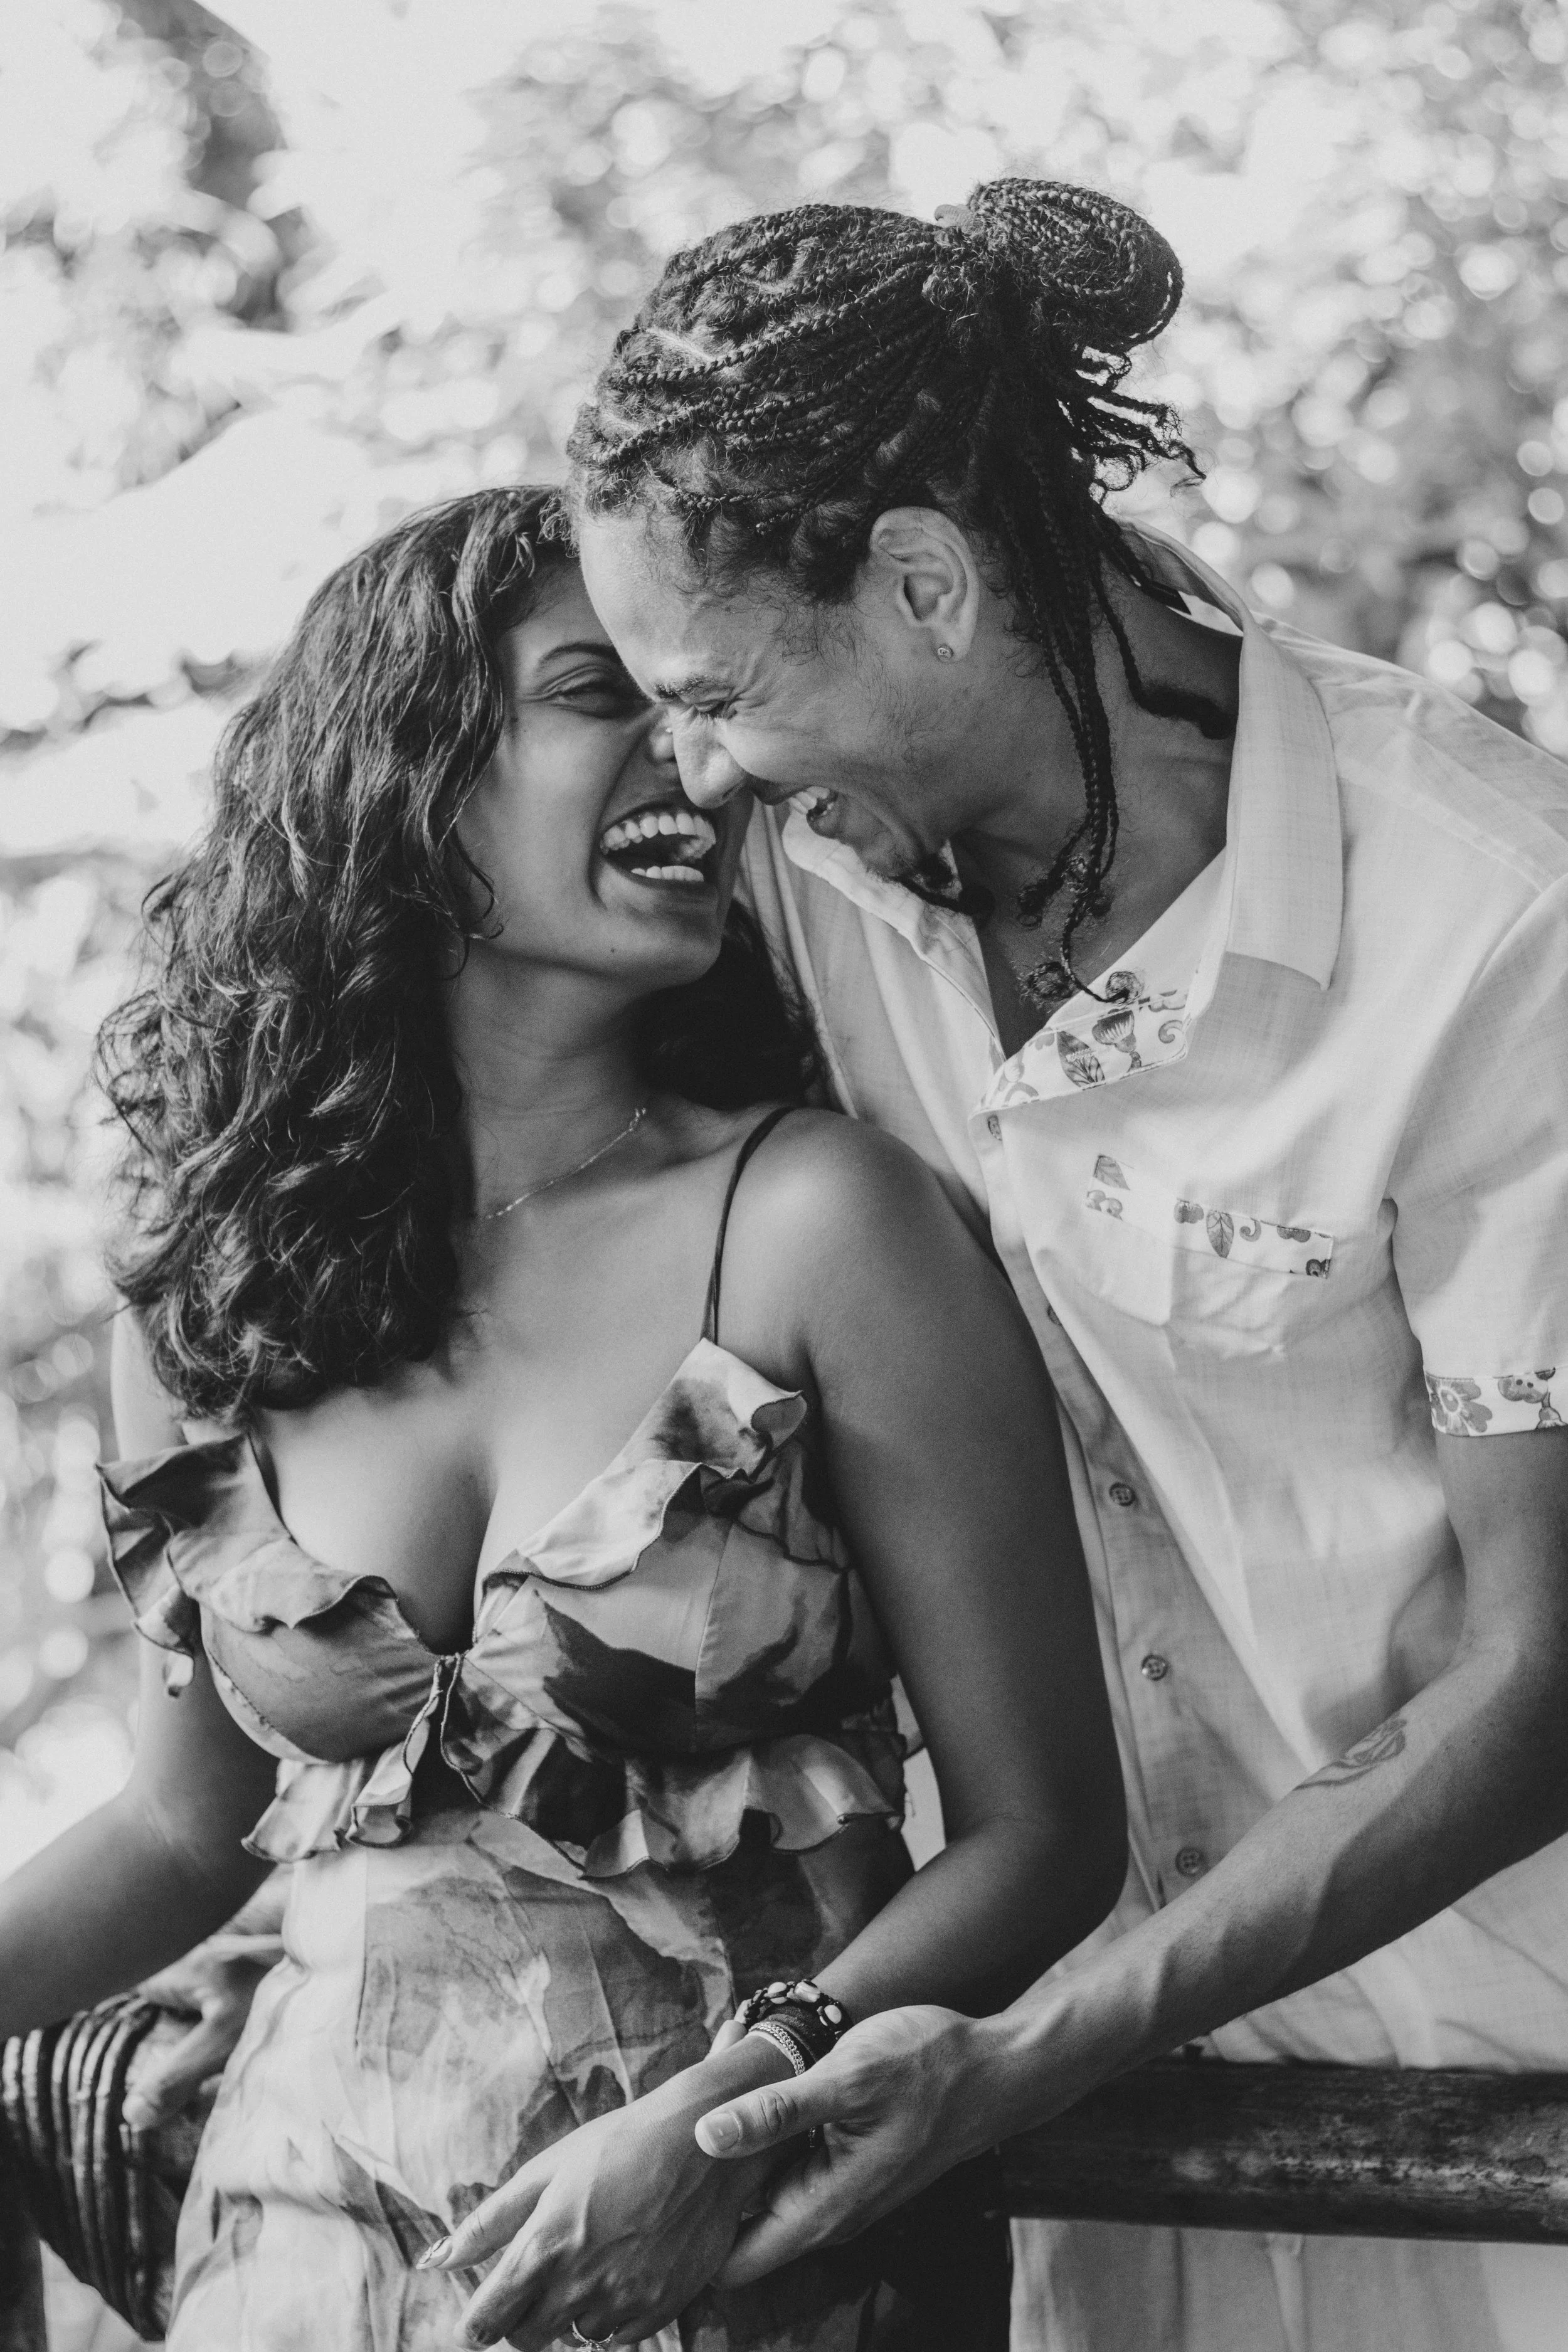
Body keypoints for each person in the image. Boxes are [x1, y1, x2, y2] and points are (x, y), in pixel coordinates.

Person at [566, 179, 1568, 2352]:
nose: (698, 770)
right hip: (1064, 2099)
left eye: (719, 693)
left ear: (923, 579)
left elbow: (1539, 1674)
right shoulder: (821, 864)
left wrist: (1041, 2045)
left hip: (1494, 2090)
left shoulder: (1495, 918)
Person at [0, 485, 1125, 2352]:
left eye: (694, 709)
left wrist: (722, 2115)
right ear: (407, 770)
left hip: (741, 2259)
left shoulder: (818, 1224)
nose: (691, 759)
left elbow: (1042, 1837)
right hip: (289, 2267)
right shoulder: (218, 1309)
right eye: (598, 693)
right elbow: (178, 1834)